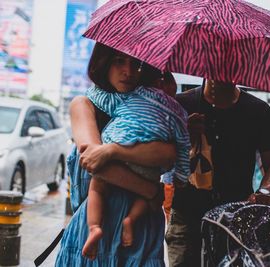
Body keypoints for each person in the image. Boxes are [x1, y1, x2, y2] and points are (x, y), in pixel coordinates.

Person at [55, 43, 180, 266]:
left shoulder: (152, 111)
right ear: (103, 63)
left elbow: (168, 154)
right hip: (96, 229)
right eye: (119, 61)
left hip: (139, 232)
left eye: (136, 64)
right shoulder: (84, 105)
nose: (129, 72)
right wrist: (150, 190)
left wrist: (112, 150)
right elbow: (94, 162)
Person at [165, 80, 270, 266]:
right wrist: (182, 134)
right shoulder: (181, 105)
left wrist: (265, 192)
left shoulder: (258, 111)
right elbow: (161, 162)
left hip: (236, 221)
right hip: (186, 216)